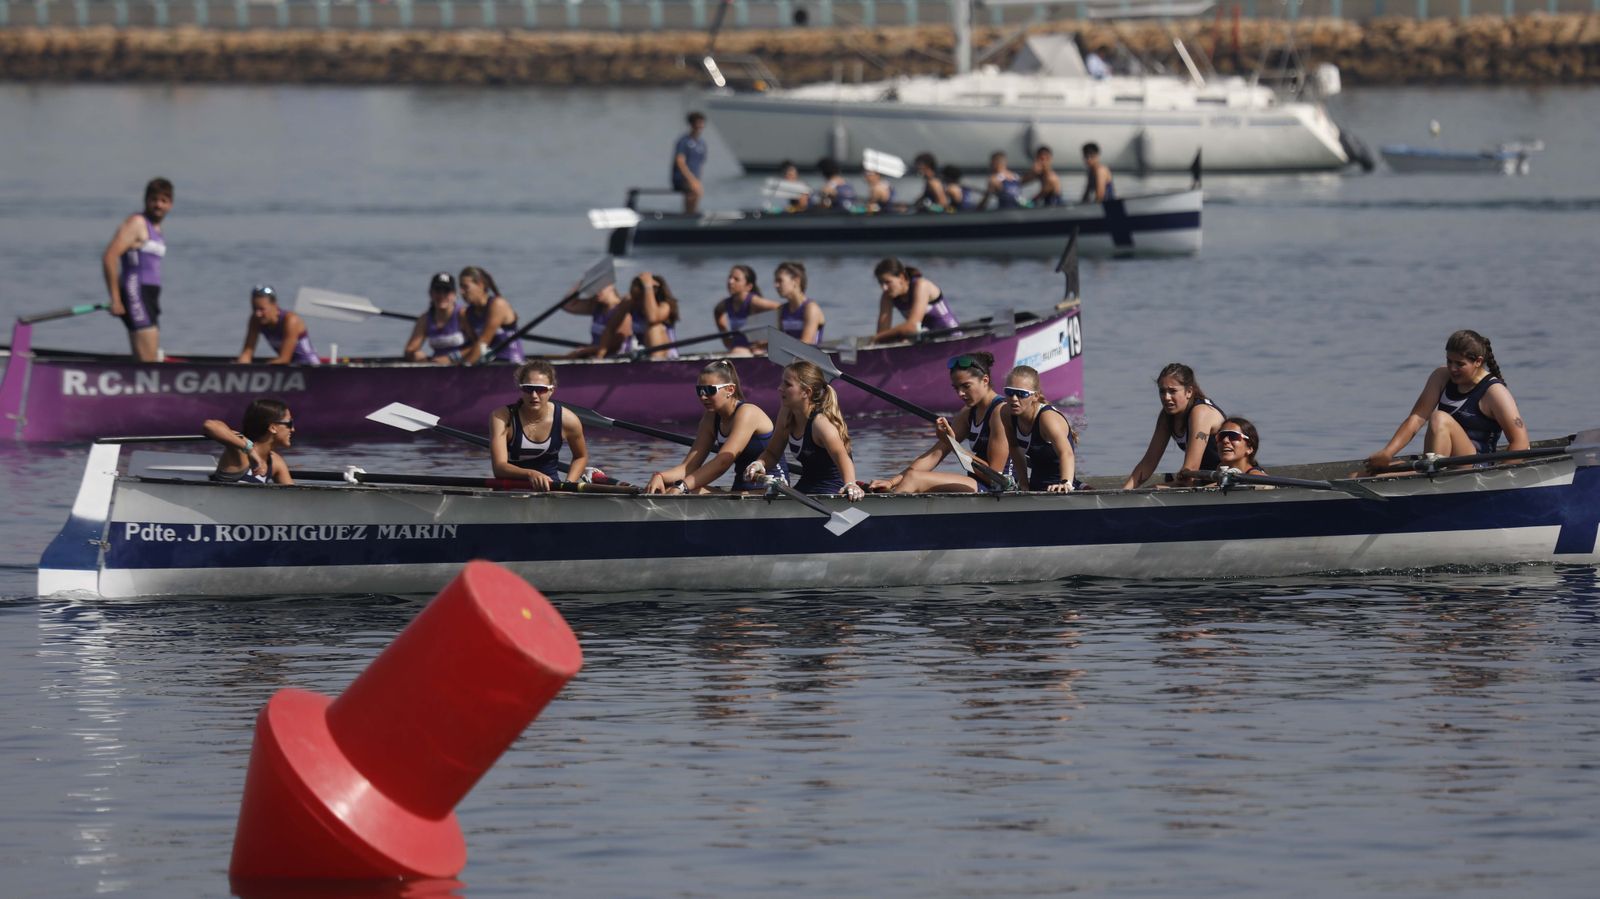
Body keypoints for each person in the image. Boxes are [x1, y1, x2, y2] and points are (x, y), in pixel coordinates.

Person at [1364, 330, 1529, 472]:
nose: (1452, 369)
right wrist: (1387, 453)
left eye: (1460, 364)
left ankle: (1432, 476)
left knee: (1439, 418)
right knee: (1359, 477)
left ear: (1478, 362)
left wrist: (1498, 480)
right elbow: (1416, 419)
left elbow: (1520, 442)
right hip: (1440, 462)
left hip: (1476, 468)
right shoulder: (1440, 377)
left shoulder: (1495, 392)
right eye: (1449, 361)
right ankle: (1430, 472)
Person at [870, 353, 1012, 494]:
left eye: (966, 386)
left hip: (1000, 487)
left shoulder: (1000, 412)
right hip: (978, 482)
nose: (960, 394)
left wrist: (952, 444)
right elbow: (934, 455)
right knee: (911, 477)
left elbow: (995, 476)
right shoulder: (968, 413)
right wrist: (892, 482)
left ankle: (878, 514)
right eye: (956, 388)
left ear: (985, 380)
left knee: (915, 479)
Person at [647, 359, 784, 494]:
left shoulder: (748, 413)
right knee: (669, 488)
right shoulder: (710, 418)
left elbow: (722, 462)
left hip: (770, 489)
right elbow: (689, 467)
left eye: (709, 390)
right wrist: (660, 476)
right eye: (699, 390)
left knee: (684, 489)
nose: (703, 396)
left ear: (730, 389)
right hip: (740, 490)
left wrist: (681, 486)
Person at [744, 360, 863, 500]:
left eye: (787, 384)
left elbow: (842, 456)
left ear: (806, 392)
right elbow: (772, 453)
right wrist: (759, 463)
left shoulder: (821, 424)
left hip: (833, 488)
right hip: (807, 485)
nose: (780, 388)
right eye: (782, 382)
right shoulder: (786, 413)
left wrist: (851, 483)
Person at [101, 177, 173, 362]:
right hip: (136, 292)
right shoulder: (137, 223)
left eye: (163, 201)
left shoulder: (157, 229)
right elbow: (109, 256)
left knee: (147, 357)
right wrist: (115, 299)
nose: (158, 205)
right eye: (154, 200)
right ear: (146, 201)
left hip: (150, 295)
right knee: (148, 361)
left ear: (170, 205)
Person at [489, 359, 589, 491]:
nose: (534, 395)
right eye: (528, 389)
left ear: (551, 390)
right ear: (521, 389)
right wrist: (531, 474)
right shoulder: (501, 417)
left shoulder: (568, 420)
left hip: (550, 490)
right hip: (510, 492)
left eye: (541, 390)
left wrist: (568, 484)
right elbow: (499, 468)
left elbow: (580, 457)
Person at [1122, 363, 1226, 489]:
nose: (1166, 397)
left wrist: (1153, 488)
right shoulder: (1167, 416)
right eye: (1162, 391)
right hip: (1205, 480)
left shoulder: (1201, 412)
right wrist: (1125, 492)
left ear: (1189, 392)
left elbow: (1190, 472)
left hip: (1228, 480)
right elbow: (1149, 462)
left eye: (1172, 391)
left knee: (1152, 490)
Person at [1004, 365, 1078, 492]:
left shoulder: (1047, 419)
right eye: (1010, 392)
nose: (1014, 399)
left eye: (1021, 394)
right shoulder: (1006, 412)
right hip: (1036, 484)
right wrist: (1023, 482)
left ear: (1035, 396)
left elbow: (1066, 453)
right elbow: (1014, 448)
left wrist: (1066, 483)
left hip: (1060, 485)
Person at [203, 398, 295, 485]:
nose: (293, 429)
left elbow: (292, 497)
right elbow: (210, 425)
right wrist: (250, 450)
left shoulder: (276, 461)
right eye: (289, 424)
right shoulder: (240, 450)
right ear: (272, 428)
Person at [872, 257, 960, 342]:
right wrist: (879, 338)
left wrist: (877, 338)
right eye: (881, 283)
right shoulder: (887, 295)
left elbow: (913, 327)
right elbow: (882, 334)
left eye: (888, 282)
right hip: (926, 340)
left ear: (901, 277)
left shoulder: (921, 285)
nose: (884, 288)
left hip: (952, 337)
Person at [599, 271, 680, 360]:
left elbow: (652, 318)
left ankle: (655, 364)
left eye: (639, 298)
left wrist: (648, 286)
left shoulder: (665, 306)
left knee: (654, 328)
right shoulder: (631, 303)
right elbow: (610, 328)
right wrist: (599, 357)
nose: (636, 302)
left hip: (667, 358)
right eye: (634, 298)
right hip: (642, 355)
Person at [235, 285, 318, 366]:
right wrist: (239, 365)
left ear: (274, 305)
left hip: (310, 368)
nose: (258, 314)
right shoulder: (255, 320)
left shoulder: (290, 320)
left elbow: (284, 359)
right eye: (254, 308)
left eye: (262, 309)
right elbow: (247, 353)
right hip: (289, 369)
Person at [404, 272, 476, 364]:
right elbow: (410, 349)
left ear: (454, 295)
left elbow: (479, 345)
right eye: (438, 290)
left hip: (462, 366)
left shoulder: (462, 315)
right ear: (431, 294)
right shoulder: (425, 319)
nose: (442, 296)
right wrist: (416, 355)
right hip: (437, 367)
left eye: (446, 291)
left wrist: (451, 358)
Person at [460, 266, 524, 365]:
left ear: (480, 285)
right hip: (488, 365)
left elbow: (484, 341)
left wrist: (461, 369)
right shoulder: (467, 313)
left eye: (465, 287)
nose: (461, 292)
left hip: (510, 364)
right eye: (460, 287)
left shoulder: (498, 304)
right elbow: (474, 345)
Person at [713, 264, 781, 356]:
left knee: (737, 352)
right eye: (730, 277)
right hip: (738, 350)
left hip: (757, 351)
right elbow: (717, 312)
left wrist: (769, 342)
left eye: (736, 279)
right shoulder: (726, 304)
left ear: (748, 286)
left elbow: (785, 310)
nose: (730, 281)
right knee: (736, 351)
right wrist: (726, 339)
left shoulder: (754, 302)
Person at [561, 281, 631, 359]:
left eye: (600, 287)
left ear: (611, 285)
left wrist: (584, 351)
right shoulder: (597, 306)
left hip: (617, 359)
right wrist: (584, 282)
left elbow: (614, 346)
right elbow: (566, 305)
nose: (596, 291)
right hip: (597, 356)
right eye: (593, 288)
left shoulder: (623, 311)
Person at [774, 261, 825, 346]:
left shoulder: (811, 308)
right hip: (788, 355)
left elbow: (806, 344)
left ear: (796, 281)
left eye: (780, 280)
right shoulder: (781, 310)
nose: (776, 285)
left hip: (809, 357)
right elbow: (778, 342)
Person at [672, 111, 709, 214]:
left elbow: (701, 163)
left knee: (696, 190)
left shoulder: (701, 143)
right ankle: (688, 215)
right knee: (695, 190)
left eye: (702, 123)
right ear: (692, 124)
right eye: (698, 123)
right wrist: (692, 180)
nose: (700, 126)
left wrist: (697, 180)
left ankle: (691, 214)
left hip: (694, 178)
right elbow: (680, 162)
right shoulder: (684, 141)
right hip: (682, 178)